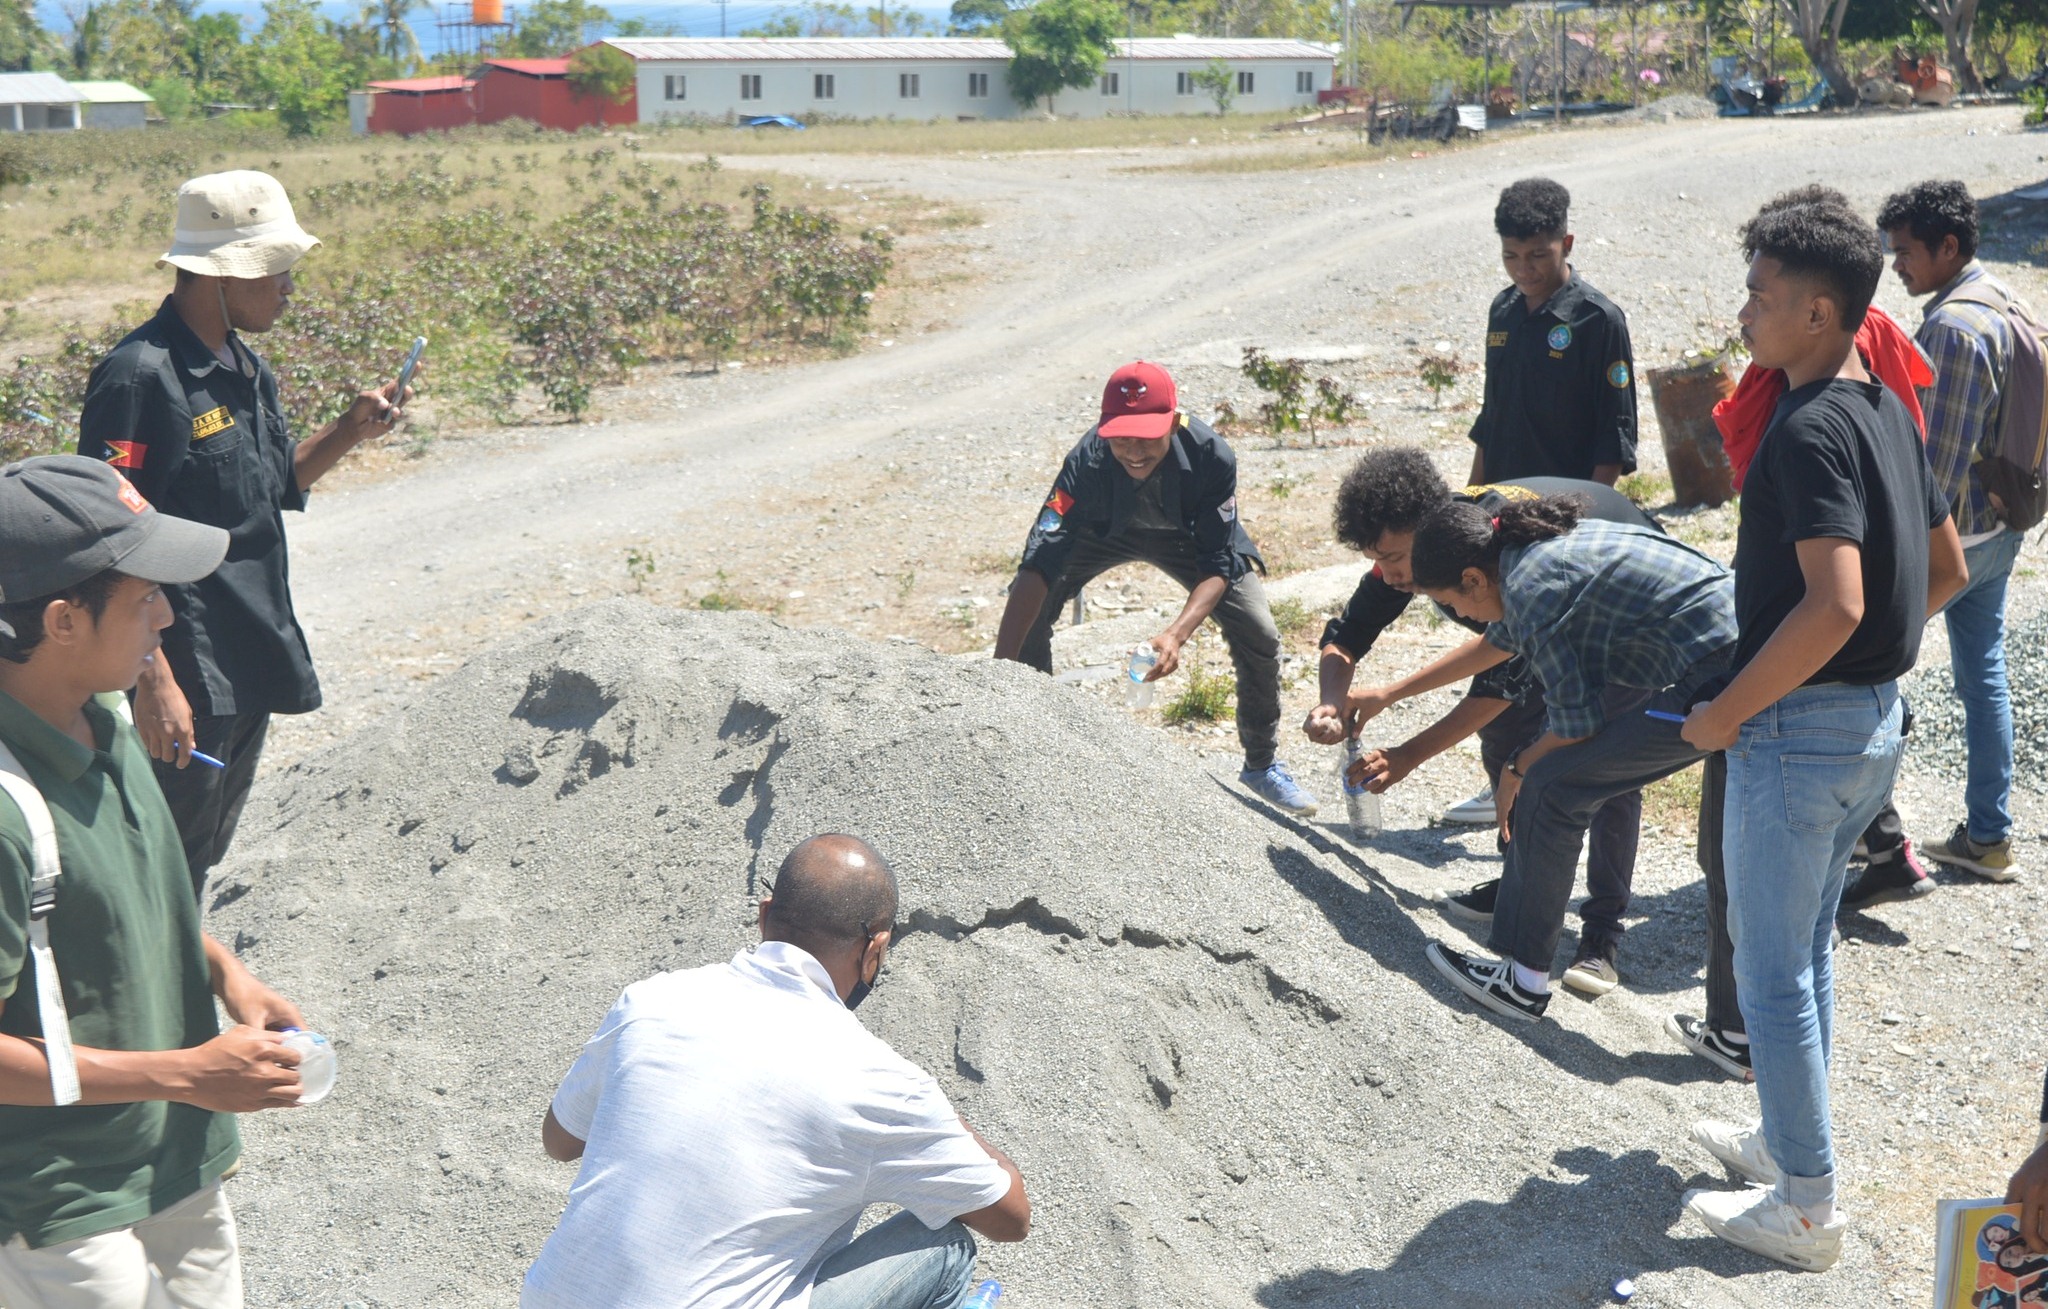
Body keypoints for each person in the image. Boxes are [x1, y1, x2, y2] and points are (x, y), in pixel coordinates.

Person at [1678, 193, 1966, 1272]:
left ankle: (1804, 1204)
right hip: (1865, 726)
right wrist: (1855, 669)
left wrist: (1726, 711)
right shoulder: (1884, 403)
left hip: (1796, 737)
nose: (1741, 312)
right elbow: (1937, 571)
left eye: (1757, 295)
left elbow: (1836, 603)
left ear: (1816, 312)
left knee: (1770, 970)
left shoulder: (1804, 429)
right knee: (1800, 953)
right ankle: (1783, 1145)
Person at [0, 456, 311, 1309]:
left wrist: (226, 973)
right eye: (146, 598)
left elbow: (127, 900)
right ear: (63, 619)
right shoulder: (5, 808)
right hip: (62, 1199)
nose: (168, 616)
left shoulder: (104, 717)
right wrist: (184, 1072)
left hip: (176, 1150)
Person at [78, 170, 416, 900]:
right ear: (220, 273)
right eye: (275, 268)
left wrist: (350, 430)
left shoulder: (242, 366)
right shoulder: (140, 377)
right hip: (188, 668)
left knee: (195, 861)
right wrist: (155, 679)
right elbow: (108, 528)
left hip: (247, 651)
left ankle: (183, 992)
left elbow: (273, 487)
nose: (290, 285)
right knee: (156, 866)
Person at [523, 834, 1030, 1309]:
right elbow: (1009, 1217)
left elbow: (560, 1141)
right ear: (874, 950)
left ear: (765, 916)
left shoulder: (651, 1000)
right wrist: (943, 1121)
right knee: (944, 1245)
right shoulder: (880, 1082)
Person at [1302, 446, 1652, 970]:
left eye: (1394, 559)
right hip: (1545, 611)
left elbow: (1499, 676)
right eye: (1376, 560)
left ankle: (1600, 935)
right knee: (1508, 738)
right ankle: (1522, 885)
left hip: (1627, 600)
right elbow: (1348, 634)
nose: (1387, 573)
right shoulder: (1421, 547)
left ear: (1428, 529)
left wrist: (1407, 754)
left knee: (1601, 764)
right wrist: (1333, 702)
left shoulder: (1493, 550)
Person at [1385, 495, 1735, 1017]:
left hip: (1725, 670)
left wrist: (1516, 766)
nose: (1461, 616)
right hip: (1738, 645)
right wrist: (1386, 695)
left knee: (1552, 787)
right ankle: (1733, 1031)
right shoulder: (1526, 557)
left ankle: (1522, 980)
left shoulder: (1530, 588)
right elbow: (1495, 646)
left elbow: (1577, 724)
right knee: (1723, 855)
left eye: (1454, 605)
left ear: (1474, 579)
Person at [993, 360, 1315, 815]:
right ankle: (1031, 740)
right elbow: (1039, 558)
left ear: (1174, 420)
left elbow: (1217, 562)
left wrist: (1175, 634)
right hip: (1102, 532)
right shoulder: (1086, 460)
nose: (1134, 450)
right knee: (1029, 610)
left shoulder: (1212, 455)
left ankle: (1261, 765)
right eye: (1121, 437)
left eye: (1148, 436)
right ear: (1104, 428)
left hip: (1190, 540)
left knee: (1260, 631)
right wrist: (999, 676)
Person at [1858, 179, 2031, 893]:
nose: (1896, 266)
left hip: (1954, 542)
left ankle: (1871, 839)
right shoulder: (2006, 298)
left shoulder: (1953, 330)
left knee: (1871, 670)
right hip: (2001, 524)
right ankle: (1987, 836)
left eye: (1904, 253)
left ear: (1946, 247)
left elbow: (1933, 464)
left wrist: (1888, 553)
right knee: (1982, 674)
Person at [1466, 177, 1638, 489]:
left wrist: (1587, 517)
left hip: (1564, 511)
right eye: (1510, 256)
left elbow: (1614, 436)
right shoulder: (1503, 311)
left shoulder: (1599, 321)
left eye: (1538, 255)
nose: (1523, 269)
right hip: (1501, 501)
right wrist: (1471, 498)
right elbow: (1492, 417)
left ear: (1567, 244)